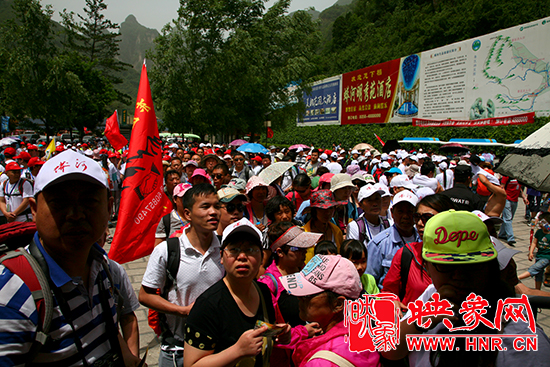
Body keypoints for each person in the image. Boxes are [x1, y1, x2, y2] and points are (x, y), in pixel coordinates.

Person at [0, 150, 140, 365]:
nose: (76, 214)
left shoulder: (104, 269)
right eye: (60, 203)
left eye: (89, 201)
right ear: (34, 211)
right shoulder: (12, 297)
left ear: (109, 208)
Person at [383, 210, 550, 366]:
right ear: (426, 266)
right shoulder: (434, 294)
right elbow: (390, 350)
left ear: (489, 267)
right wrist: (420, 321)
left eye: (471, 265)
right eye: (446, 266)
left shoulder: (523, 341)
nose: (459, 275)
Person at [183, 218, 291, 367]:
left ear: (262, 258)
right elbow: (192, 364)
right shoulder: (207, 306)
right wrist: (237, 351)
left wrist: (278, 335)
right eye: (234, 250)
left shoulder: (264, 292)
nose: (242, 257)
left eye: (251, 250)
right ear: (221, 257)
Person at [140, 183, 225, 367]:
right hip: (177, 350)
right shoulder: (167, 250)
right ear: (187, 214)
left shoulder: (225, 249)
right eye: (205, 206)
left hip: (218, 349)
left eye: (217, 206)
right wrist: (183, 311)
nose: (213, 212)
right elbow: (145, 295)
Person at [279, 255, 382, 367]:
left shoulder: (321, 363)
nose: (299, 297)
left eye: (307, 294)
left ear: (338, 304)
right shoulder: (366, 334)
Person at [382, 194, 455, 308]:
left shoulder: (462, 257)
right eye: (417, 217)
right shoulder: (406, 254)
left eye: (428, 218)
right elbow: (388, 292)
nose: (420, 223)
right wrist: (392, 301)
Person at [367, 190, 420, 289]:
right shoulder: (379, 244)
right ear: (392, 212)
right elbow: (370, 281)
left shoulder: (423, 239)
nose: (405, 216)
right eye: (400, 211)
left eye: (410, 211)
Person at [303, 190, 346, 262]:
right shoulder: (303, 234)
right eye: (322, 209)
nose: (327, 213)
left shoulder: (336, 231)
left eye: (330, 208)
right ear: (314, 211)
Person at [518, 212, 550, 289]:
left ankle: (517, 278)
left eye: (542, 222)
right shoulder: (539, 232)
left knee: (534, 269)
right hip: (539, 256)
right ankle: (537, 290)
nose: (540, 224)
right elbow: (534, 243)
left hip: (547, 257)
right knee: (538, 274)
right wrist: (531, 252)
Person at [498, 175, 529, 246]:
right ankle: (510, 238)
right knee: (508, 219)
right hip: (507, 200)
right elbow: (501, 187)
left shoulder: (519, 177)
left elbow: (520, 189)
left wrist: (524, 198)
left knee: (506, 218)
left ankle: (502, 234)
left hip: (515, 200)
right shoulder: (507, 177)